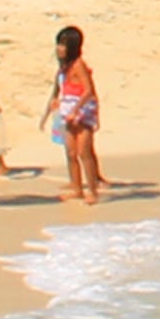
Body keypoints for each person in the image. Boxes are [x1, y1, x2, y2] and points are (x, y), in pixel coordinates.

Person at [50, 23, 105, 203]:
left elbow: (88, 90)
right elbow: (63, 88)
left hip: (83, 112)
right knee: (71, 153)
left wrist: (76, 110)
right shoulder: (64, 66)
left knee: (84, 152)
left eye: (63, 45)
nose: (59, 48)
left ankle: (93, 190)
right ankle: (76, 188)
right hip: (68, 111)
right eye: (58, 44)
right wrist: (58, 102)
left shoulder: (79, 65)